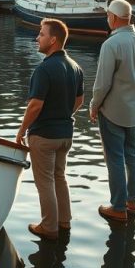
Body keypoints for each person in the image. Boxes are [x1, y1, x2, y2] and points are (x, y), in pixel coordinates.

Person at [90, 0, 135, 222]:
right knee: (131, 155)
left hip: (112, 110)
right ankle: (131, 202)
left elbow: (102, 84)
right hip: (134, 111)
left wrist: (94, 106)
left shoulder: (111, 45)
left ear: (113, 17)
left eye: (107, 16)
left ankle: (118, 207)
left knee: (115, 158)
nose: (106, 19)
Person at [16, 18, 84, 240]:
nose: (37, 38)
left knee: (44, 181)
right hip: (65, 134)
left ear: (53, 39)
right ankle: (64, 222)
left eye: (41, 34)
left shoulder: (44, 69)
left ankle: (49, 227)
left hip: (44, 135)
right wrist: (63, 114)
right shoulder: (75, 67)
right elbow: (80, 100)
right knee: (59, 177)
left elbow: (35, 105)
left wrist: (21, 130)